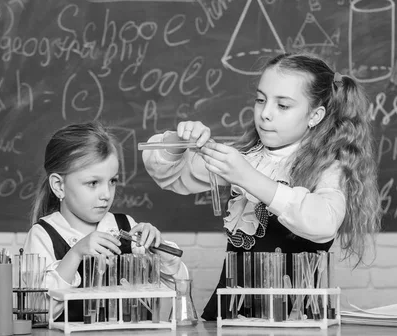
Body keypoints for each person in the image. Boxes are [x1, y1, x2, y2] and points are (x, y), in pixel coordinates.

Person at [142, 52, 381, 320]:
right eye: (260, 100)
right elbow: (168, 174)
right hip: (228, 314)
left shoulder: (328, 168)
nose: (265, 114)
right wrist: (179, 140)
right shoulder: (248, 157)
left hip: (292, 319)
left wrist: (246, 176)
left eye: (283, 106)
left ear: (315, 115)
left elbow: (324, 222)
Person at [23, 121, 189, 322]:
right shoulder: (43, 235)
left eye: (112, 181)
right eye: (93, 183)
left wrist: (159, 252)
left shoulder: (126, 225)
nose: (106, 194)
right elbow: (38, 312)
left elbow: (177, 286)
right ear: (59, 186)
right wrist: (76, 253)